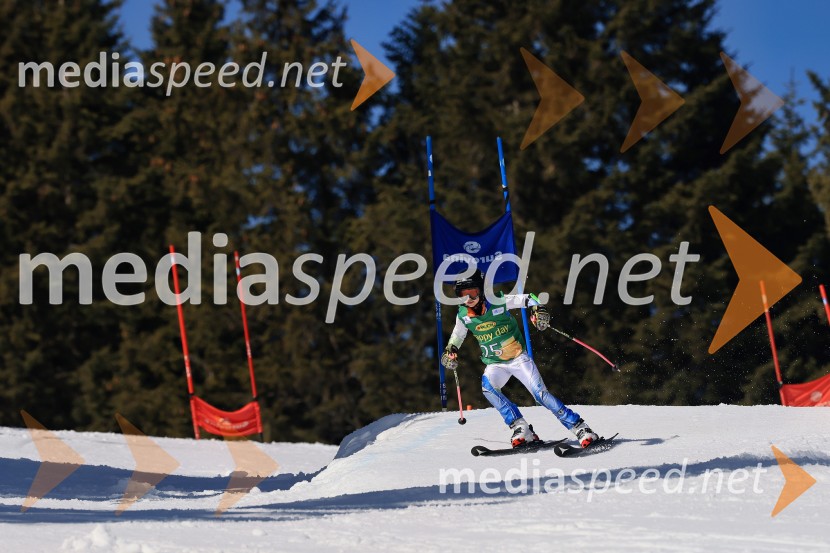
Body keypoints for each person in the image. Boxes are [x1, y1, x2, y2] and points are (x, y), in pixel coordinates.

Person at [441, 271, 599, 448]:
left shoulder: (498, 301)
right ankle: (521, 427)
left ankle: (580, 428)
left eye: (472, 292)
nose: (468, 299)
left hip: (518, 358)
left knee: (540, 395)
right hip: (495, 364)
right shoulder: (463, 315)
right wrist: (451, 349)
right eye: (462, 294)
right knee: (488, 389)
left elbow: (528, 298)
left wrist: (538, 309)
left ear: (482, 290)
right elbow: (457, 336)